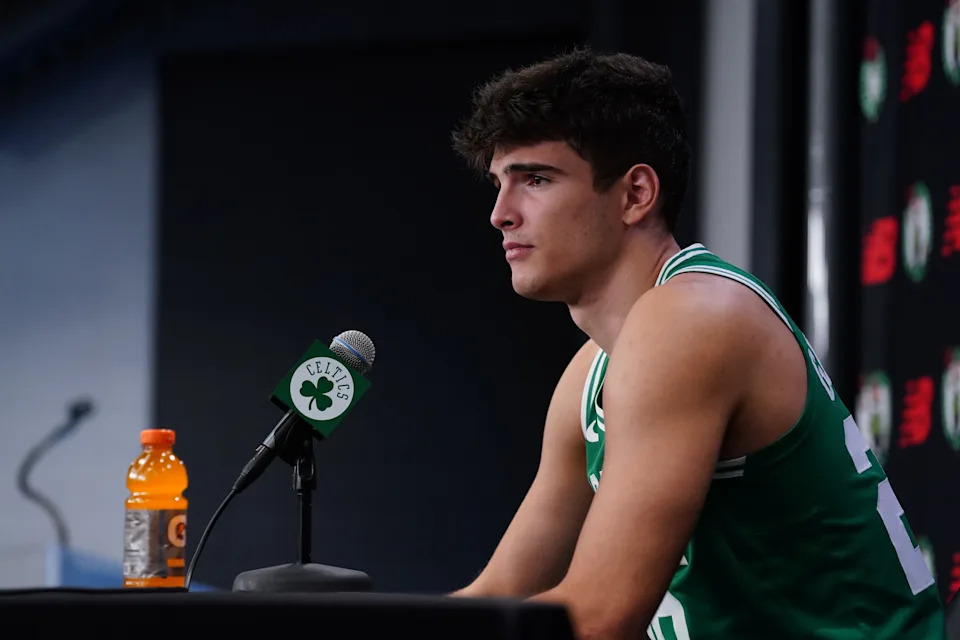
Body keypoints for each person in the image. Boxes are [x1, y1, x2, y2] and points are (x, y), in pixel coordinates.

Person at [446, 47, 947, 640]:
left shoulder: (692, 318)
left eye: (536, 179)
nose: (501, 213)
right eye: (500, 182)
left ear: (636, 194)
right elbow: (500, 594)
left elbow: (600, 615)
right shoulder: (593, 371)